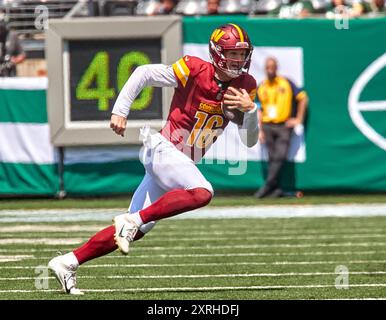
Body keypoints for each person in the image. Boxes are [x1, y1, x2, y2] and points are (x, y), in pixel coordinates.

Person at [48, 23, 259, 294]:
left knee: (135, 230)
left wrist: (251, 110)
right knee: (203, 192)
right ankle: (132, 220)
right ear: (217, 53)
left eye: (242, 54)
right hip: (163, 148)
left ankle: (68, 261)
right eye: (233, 53)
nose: (239, 60)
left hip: (178, 161)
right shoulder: (195, 68)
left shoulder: (245, 86)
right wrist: (120, 110)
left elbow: (250, 140)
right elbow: (144, 72)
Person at [254, 57, 308, 199]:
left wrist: (299, 119)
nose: (270, 69)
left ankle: (267, 185)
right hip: (267, 124)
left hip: (283, 125)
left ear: (277, 67)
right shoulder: (262, 86)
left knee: (280, 155)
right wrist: (259, 129)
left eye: (272, 67)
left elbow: (303, 98)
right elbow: (258, 109)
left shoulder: (286, 83)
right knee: (272, 158)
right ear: (265, 68)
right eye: (268, 67)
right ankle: (276, 189)